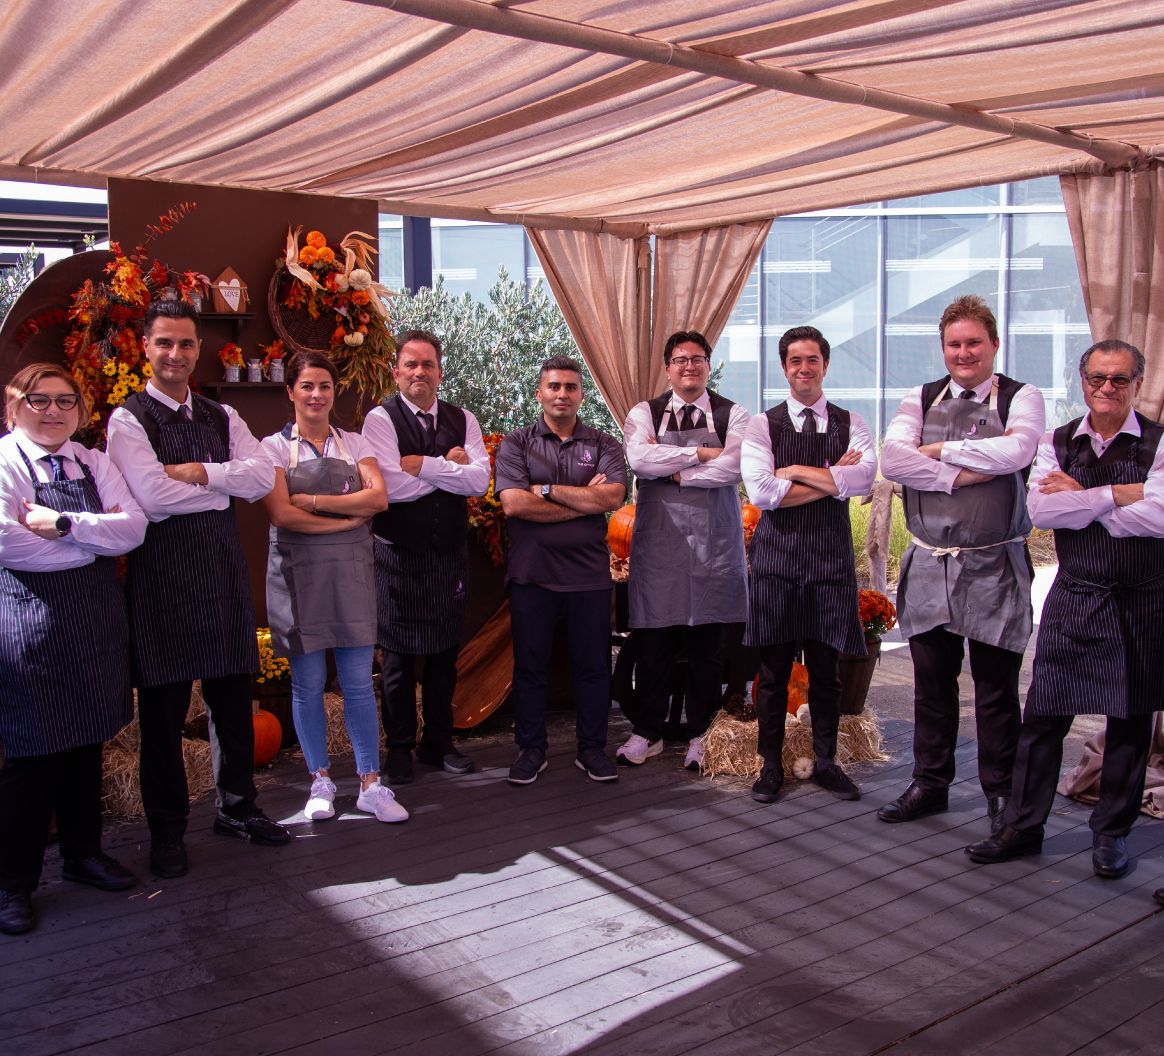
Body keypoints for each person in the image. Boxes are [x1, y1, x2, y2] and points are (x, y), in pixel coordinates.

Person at [967, 339, 1164, 879]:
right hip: (1075, 596)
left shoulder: (1159, 441)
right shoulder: (1056, 441)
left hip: (1142, 601)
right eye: (1098, 378)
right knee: (1043, 719)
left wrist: (1084, 496)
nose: (1107, 388)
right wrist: (1119, 495)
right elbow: (1044, 511)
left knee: (1130, 723)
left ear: (1136, 384)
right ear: (1083, 381)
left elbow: (1159, 518)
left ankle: (1112, 833)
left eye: (1119, 379)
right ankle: (1022, 827)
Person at [107, 300, 287, 880]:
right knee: (162, 718)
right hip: (161, 584)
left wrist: (199, 473)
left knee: (232, 706)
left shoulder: (222, 414)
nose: (176, 354)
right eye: (164, 342)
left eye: (185, 343)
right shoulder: (127, 420)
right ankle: (166, 830)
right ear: (146, 347)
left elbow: (261, 476)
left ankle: (237, 808)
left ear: (199, 349)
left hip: (221, 577)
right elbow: (151, 497)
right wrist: (221, 487)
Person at [879, 295, 1044, 832]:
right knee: (931, 684)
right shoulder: (920, 398)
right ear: (943, 348)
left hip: (994, 565)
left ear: (994, 344)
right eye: (954, 344)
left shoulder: (1023, 397)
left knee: (996, 690)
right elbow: (893, 459)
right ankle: (930, 784)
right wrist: (967, 471)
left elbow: (1016, 453)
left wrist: (936, 453)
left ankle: (1001, 792)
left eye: (974, 342)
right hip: (931, 564)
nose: (964, 352)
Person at [0, 364, 147, 935]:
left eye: (65, 401)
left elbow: (133, 528)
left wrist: (62, 524)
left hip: (93, 624)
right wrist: (92, 541)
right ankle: (12, 884)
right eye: (39, 400)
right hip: (31, 625)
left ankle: (83, 855)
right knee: (34, 756)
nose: (53, 412)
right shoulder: (6, 462)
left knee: (88, 742)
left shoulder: (93, 461)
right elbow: (9, 544)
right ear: (14, 406)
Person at [261, 350, 406, 824]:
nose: (317, 394)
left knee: (359, 683)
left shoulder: (355, 443)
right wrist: (345, 519)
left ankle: (370, 784)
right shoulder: (273, 448)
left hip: (351, 575)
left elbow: (378, 498)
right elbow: (281, 513)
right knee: (307, 684)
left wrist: (313, 502)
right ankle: (319, 781)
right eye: (307, 386)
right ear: (290, 391)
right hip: (298, 578)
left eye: (324, 386)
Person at [741, 326, 877, 803]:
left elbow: (863, 480)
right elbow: (762, 493)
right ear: (784, 368)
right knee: (774, 675)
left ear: (825, 365)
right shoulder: (763, 425)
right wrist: (833, 478)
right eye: (795, 360)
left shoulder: (851, 421)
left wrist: (796, 471)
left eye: (812, 359)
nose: (804, 368)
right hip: (776, 564)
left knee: (827, 673)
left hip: (829, 565)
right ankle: (769, 766)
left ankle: (827, 763)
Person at [617, 330, 750, 772]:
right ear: (668, 368)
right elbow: (639, 460)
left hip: (714, 547)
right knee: (654, 643)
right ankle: (648, 732)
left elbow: (735, 466)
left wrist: (676, 471)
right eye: (680, 359)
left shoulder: (734, 414)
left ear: (708, 365)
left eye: (697, 359)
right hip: (661, 547)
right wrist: (703, 453)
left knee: (708, 648)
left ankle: (701, 734)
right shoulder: (644, 412)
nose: (688, 366)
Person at [362, 330, 490, 785]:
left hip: (448, 557)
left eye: (428, 364)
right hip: (398, 557)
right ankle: (399, 748)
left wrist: (423, 464)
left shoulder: (463, 418)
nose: (420, 372)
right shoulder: (380, 419)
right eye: (411, 364)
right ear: (396, 371)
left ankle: (438, 742)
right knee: (398, 662)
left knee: (443, 657)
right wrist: (450, 465)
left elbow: (479, 482)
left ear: (440, 371)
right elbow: (390, 488)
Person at [495, 355, 627, 785]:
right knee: (530, 668)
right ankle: (531, 749)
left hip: (589, 577)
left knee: (593, 668)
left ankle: (592, 749)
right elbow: (514, 504)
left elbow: (612, 498)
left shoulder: (604, 444)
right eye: (554, 386)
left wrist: (547, 490)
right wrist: (581, 501)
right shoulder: (517, 444)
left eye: (571, 387)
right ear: (539, 393)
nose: (562, 394)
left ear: (581, 395)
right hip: (531, 575)